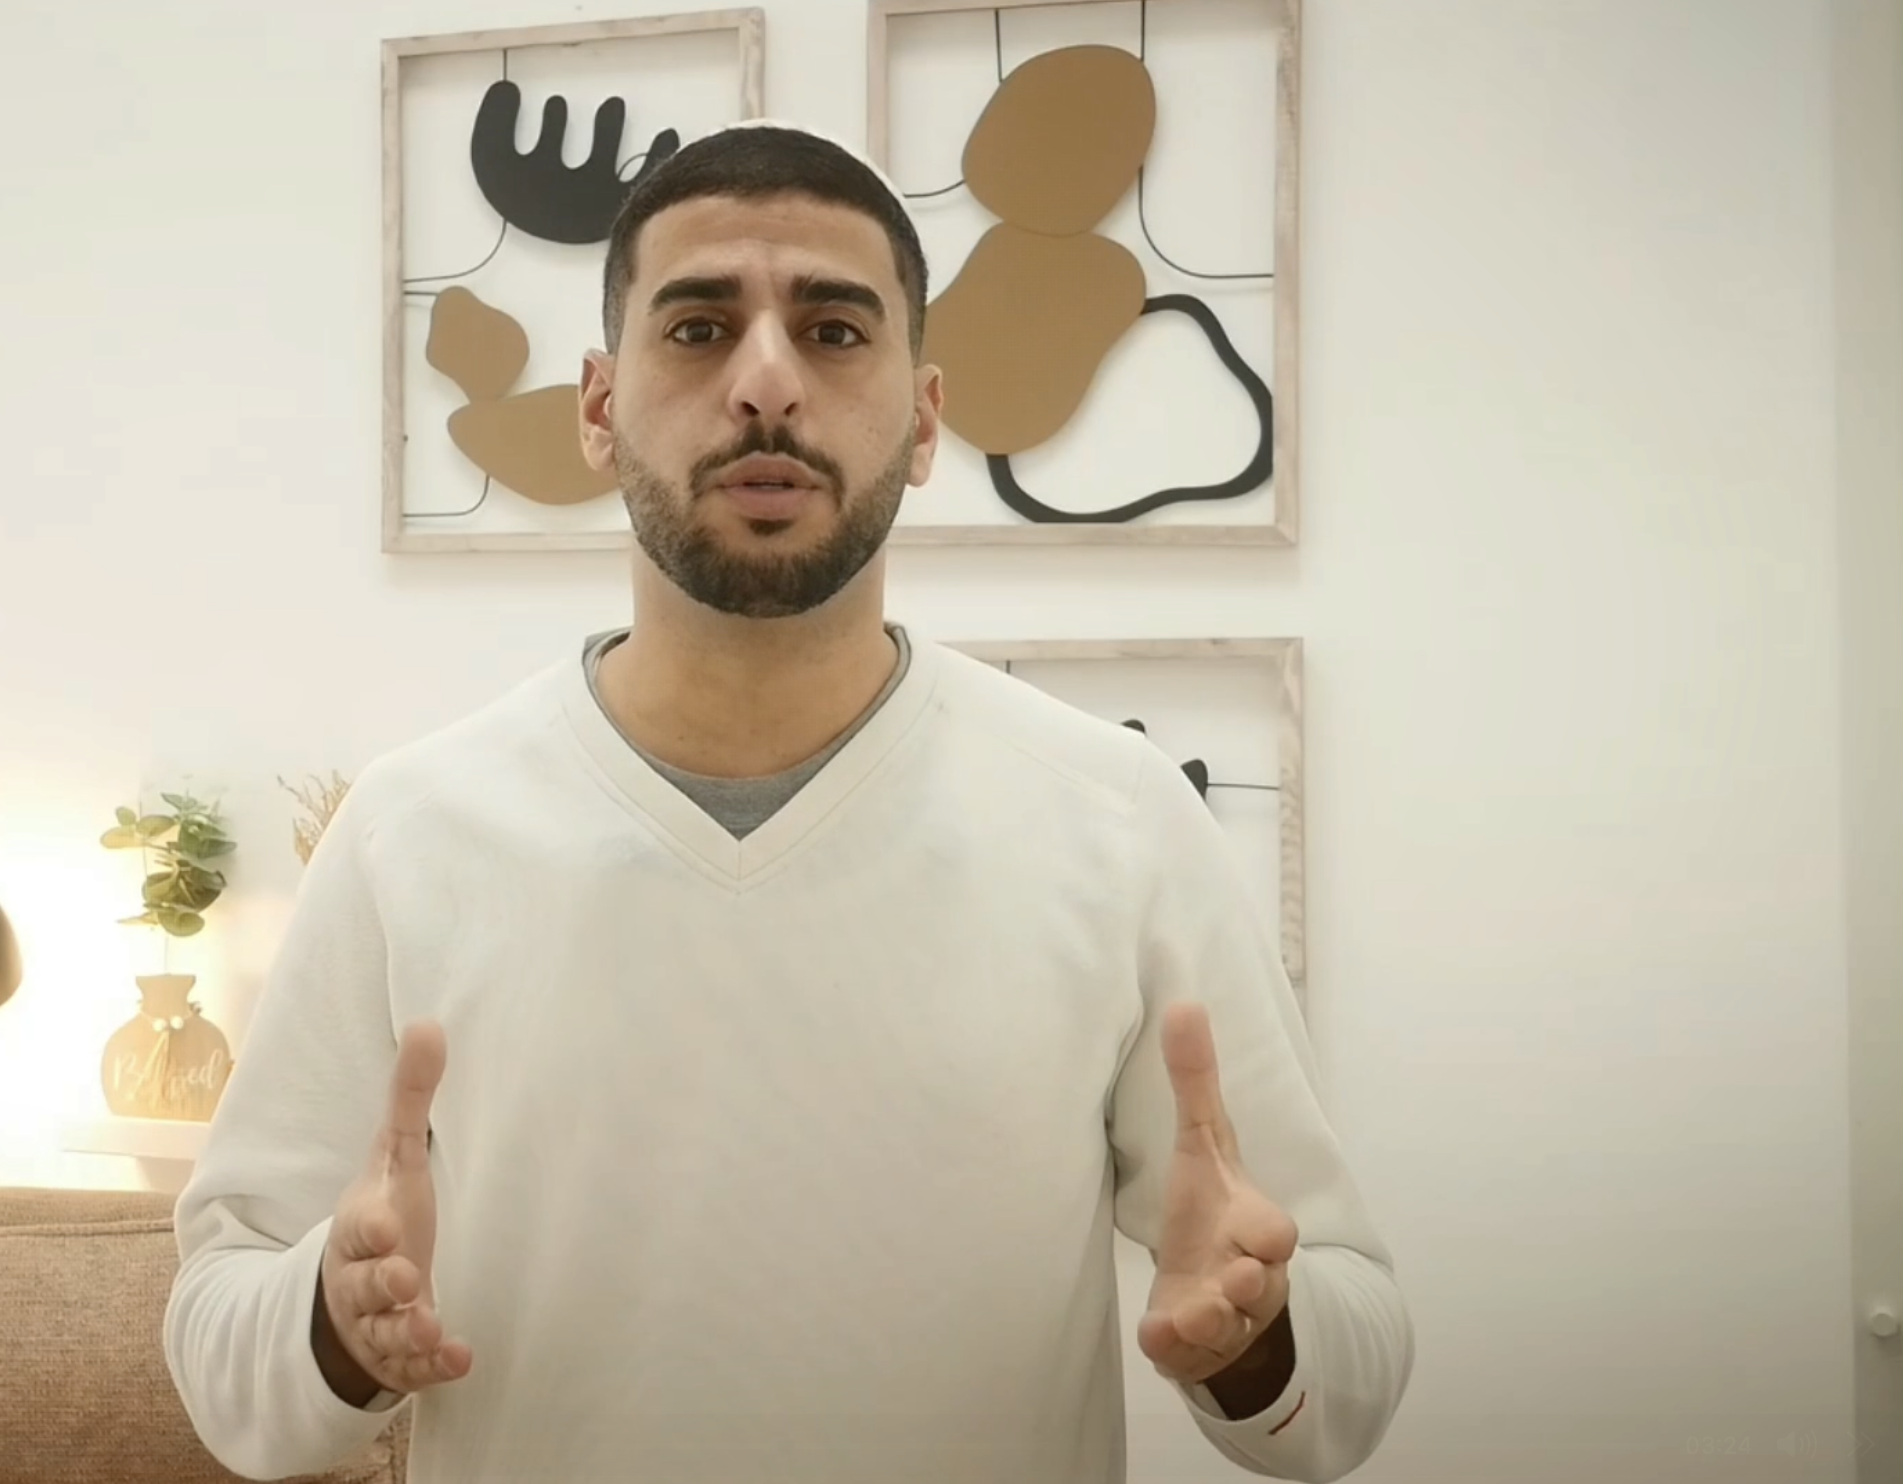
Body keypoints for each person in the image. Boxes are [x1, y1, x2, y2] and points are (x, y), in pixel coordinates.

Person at [163, 120, 1413, 1484]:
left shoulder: (1119, 822)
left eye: (833, 331)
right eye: (699, 329)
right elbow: (225, 1342)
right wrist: (334, 1322)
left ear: (924, 420)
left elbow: (1346, 1362)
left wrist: (1257, 1336)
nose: (766, 384)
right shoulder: (408, 834)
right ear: (598, 409)